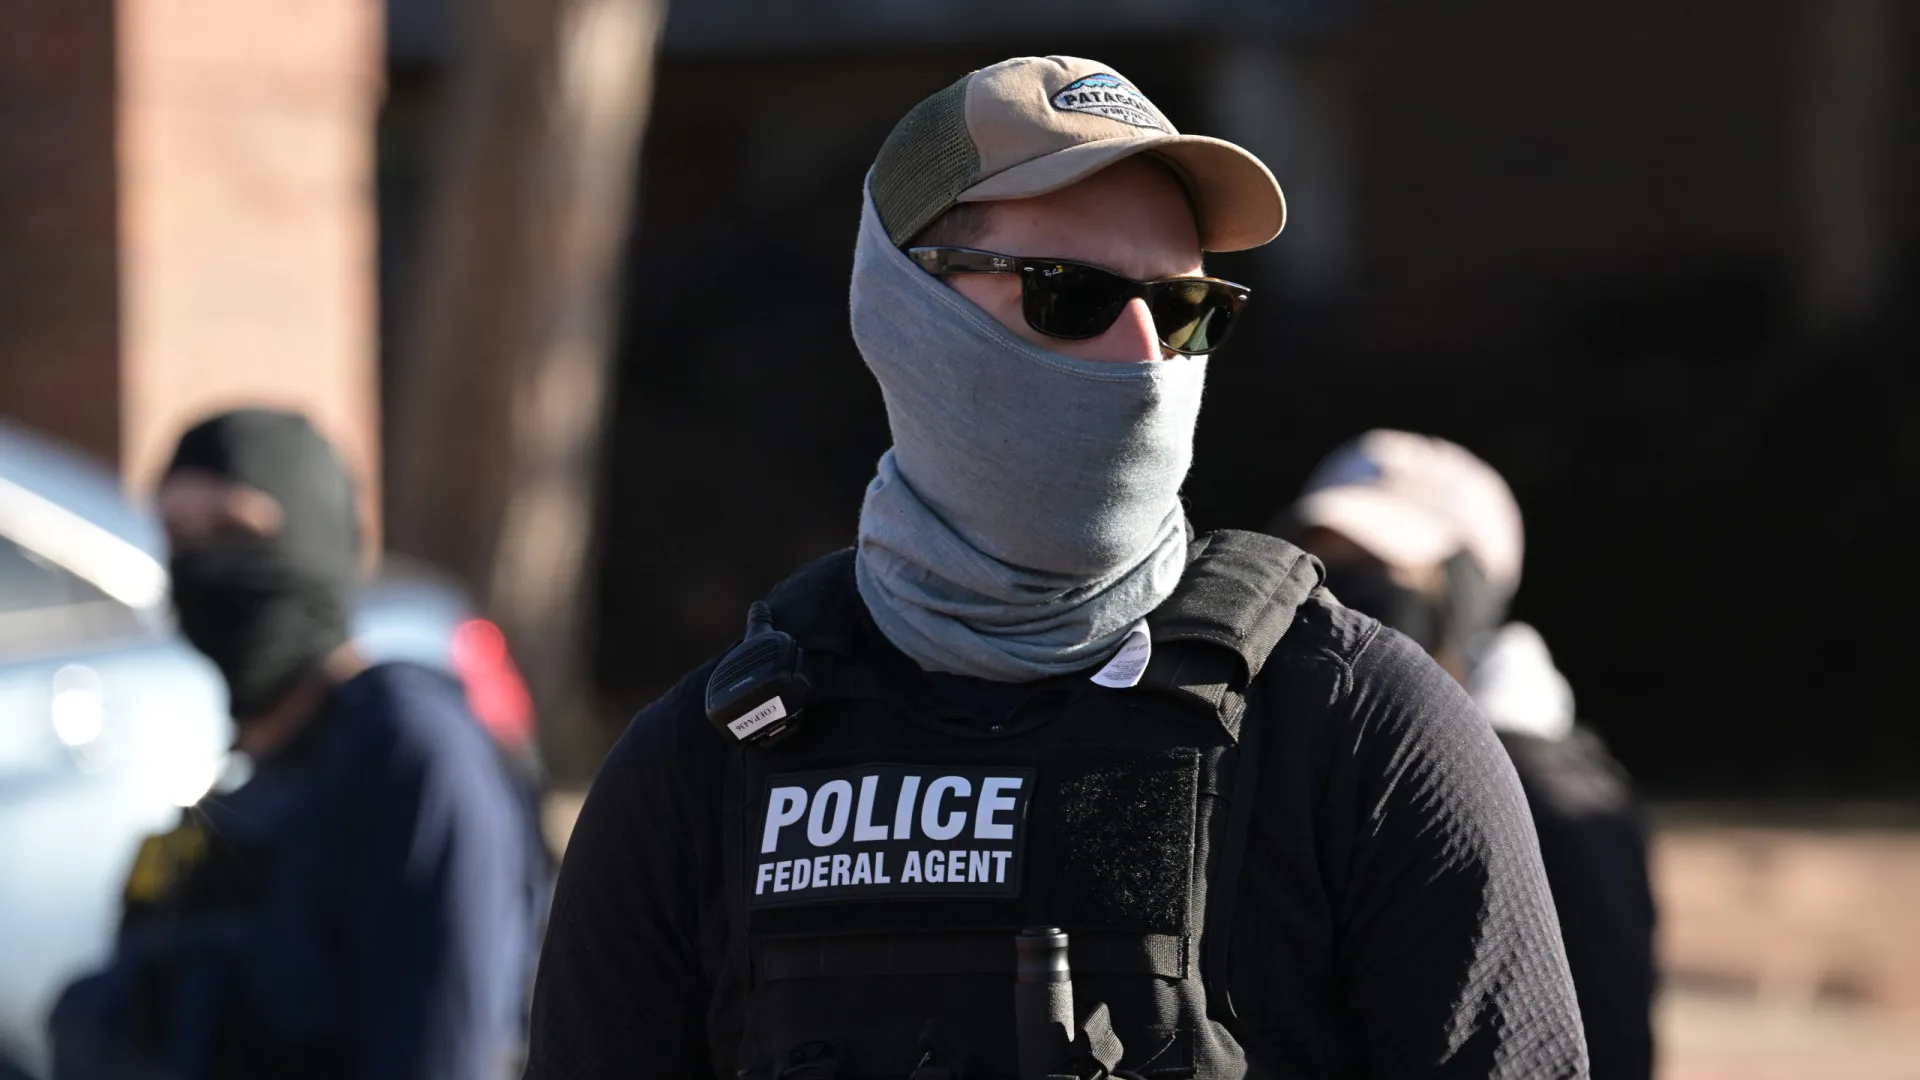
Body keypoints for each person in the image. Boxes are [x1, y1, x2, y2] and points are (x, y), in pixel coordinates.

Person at [527, 57, 1587, 1079]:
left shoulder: (1364, 732)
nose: (1144, 356)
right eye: (1070, 297)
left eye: (1184, 308)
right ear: (907, 314)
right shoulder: (702, 768)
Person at [50, 409, 546, 1080]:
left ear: (315, 541)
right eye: (179, 536)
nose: (206, 566)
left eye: (234, 531)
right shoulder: (241, 790)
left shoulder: (412, 757)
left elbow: (446, 1044)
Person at [1280, 429, 1656, 1080]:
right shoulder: (1319, 762)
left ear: (1467, 588)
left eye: (1381, 568)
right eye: (1326, 568)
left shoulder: (1555, 798)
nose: (1343, 604)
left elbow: (1605, 1040)